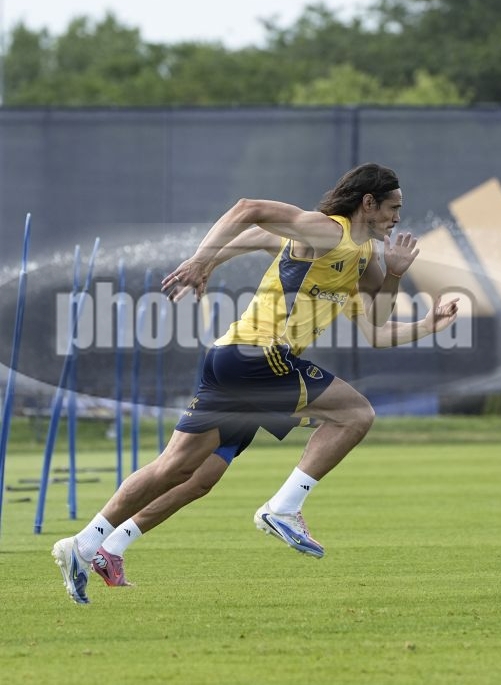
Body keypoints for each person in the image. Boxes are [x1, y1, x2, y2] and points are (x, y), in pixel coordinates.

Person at [52, 162, 457, 604]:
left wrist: (406, 291)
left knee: (185, 472)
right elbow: (249, 210)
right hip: (258, 357)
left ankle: (87, 545)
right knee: (355, 414)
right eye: (393, 208)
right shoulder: (326, 230)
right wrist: (201, 261)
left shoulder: (362, 257)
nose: (398, 217)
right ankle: (283, 508)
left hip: (234, 360)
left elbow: (376, 327)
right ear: (368, 203)